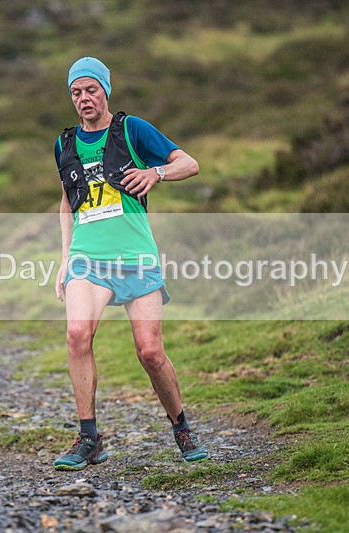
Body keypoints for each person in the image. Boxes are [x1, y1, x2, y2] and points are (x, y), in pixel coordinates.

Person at [53, 56, 209, 471]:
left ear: (105, 89)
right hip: (89, 258)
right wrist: (65, 259)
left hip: (136, 257)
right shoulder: (64, 143)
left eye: (90, 89)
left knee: (151, 352)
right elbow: (67, 202)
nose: (84, 98)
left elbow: (189, 164)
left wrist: (156, 173)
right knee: (76, 335)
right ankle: (89, 439)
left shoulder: (132, 129)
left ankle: (181, 427)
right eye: (76, 92)